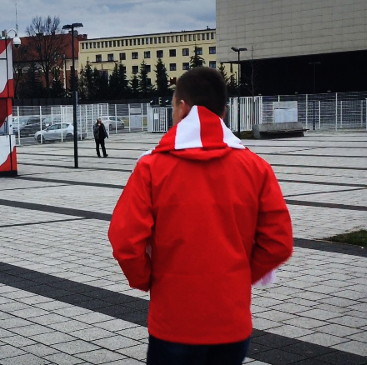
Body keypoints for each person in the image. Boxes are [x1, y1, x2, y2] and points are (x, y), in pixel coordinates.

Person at [108, 67, 293, 365]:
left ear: (182, 107)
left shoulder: (152, 168)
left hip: (173, 321)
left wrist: (148, 280)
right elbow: (278, 242)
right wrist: (239, 277)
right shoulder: (256, 168)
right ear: (224, 110)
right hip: (231, 322)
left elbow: (125, 241)